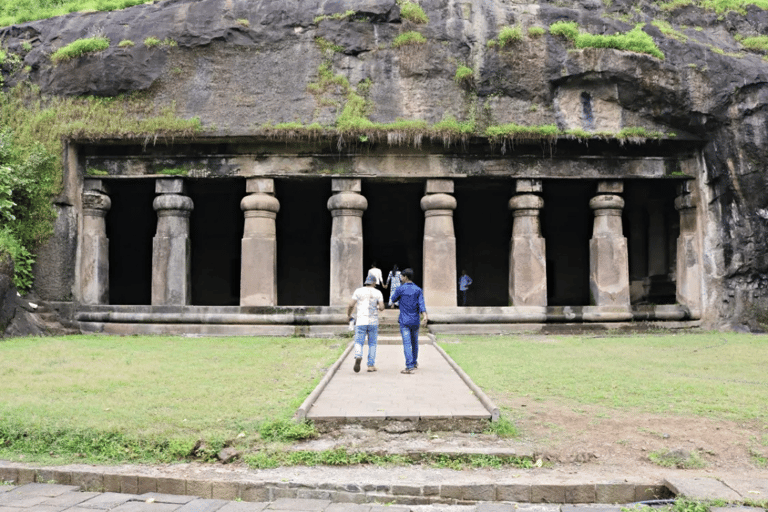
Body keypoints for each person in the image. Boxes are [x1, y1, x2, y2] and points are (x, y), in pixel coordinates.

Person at [389, 268, 427, 374]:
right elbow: (421, 304)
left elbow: (393, 299)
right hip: (415, 320)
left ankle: (409, 366)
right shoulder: (418, 289)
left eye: (401, 276)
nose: (400, 278)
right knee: (414, 342)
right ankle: (414, 362)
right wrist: (425, 315)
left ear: (405, 277)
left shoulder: (400, 289)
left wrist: (395, 301)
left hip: (404, 321)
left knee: (407, 343)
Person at [347, 274, 385, 373]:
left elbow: (351, 304)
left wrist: (349, 315)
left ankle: (358, 355)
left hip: (361, 321)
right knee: (372, 343)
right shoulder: (378, 292)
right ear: (374, 283)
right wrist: (376, 305)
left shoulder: (358, 291)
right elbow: (381, 308)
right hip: (373, 321)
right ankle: (371, 365)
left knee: (359, 341)